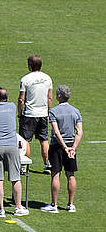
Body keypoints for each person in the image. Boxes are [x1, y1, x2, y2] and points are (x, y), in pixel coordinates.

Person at [0, 86, 29, 217]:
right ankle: (18, 207)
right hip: (12, 146)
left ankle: (0, 210)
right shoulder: (12, 107)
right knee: (16, 178)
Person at [44, 84, 82, 213]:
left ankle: (54, 205)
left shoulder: (54, 111)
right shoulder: (76, 111)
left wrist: (65, 147)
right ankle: (71, 205)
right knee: (70, 174)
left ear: (59, 96)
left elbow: (56, 131)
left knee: (56, 174)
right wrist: (73, 148)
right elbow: (79, 132)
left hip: (57, 146)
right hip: (71, 146)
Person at [19, 54, 54, 172]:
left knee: (25, 140)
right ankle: (47, 164)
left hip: (29, 114)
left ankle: (24, 166)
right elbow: (50, 98)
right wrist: (48, 112)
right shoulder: (48, 78)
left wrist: (19, 113)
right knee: (44, 140)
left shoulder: (25, 79)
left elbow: (21, 99)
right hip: (43, 114)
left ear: (30, 65)